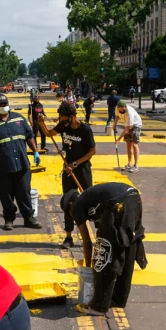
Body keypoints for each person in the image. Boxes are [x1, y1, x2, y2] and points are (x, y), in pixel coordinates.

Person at [61, 182, 147, 315]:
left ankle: (99, 306)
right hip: (133, 197)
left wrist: (89, 266)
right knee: (129, 242)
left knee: (105, 252)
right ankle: (118, 299)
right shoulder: (91, 199)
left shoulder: (77, 206)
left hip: (118, 203)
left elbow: (87, 242)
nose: (73, 218)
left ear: (70, 206)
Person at [0, 94, 42, 231]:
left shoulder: (18, 118)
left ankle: (29, 218)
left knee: (24, 191)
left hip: (22, 164)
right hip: (0, 167)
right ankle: (9, 219)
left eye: (5, 103)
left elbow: (29, 136)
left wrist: (35, 151)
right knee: (5, 194)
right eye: (0, 105)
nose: (4, 107)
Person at [52, 102, 95, 247]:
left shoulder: (85, 130)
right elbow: (49, 133)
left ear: (72, 116)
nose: (62, 122)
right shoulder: (63, 125)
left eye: (64, 118)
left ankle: (93, 234)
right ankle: (68, 237)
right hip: (68, 170)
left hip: (82, 170)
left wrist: (74, 164)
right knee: (68, 201)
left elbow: (92, 151)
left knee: (90, 201)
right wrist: (40, 123)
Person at [115, 101, 143, 172]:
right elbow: (117, 116)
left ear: (125, 107)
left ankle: (136, 165)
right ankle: (129, 163)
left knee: (134, 145)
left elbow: (127, 129)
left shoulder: (129, 113)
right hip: (127, 125)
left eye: (123, 109)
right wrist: (114, 124)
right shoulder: (117, 108)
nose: (121, 110)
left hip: (136, 125)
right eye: (120, 109)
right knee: (128, 144)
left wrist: (118, 139)